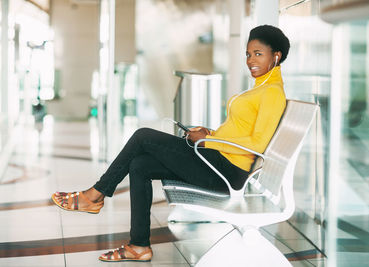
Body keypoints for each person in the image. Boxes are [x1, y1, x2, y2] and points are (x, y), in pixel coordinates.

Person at [51, 24, 290, 262]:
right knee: (141, 165)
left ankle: (95, 195)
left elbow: (258, 144)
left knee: (143, 136)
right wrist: (211, 133)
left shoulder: (271, 93)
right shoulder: (262, 87)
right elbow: (242, 132)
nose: (250, 60)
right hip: (219, 161)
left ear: (276, 56)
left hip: (226, 172)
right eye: (248, 54)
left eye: (258, 54)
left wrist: (208, 141)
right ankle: (139, 246)